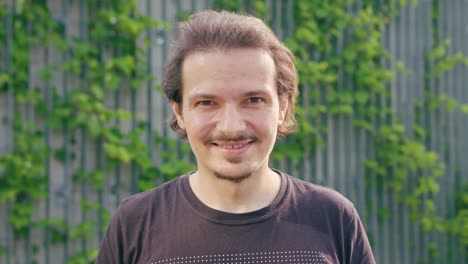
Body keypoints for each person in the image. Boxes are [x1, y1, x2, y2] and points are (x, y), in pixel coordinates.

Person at [96, 10, 375, 264]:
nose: (231, 127)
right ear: (179, 111)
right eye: (207, 102)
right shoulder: (134, 224)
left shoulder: (332, 218)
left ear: (283, 107)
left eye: (253, 99)